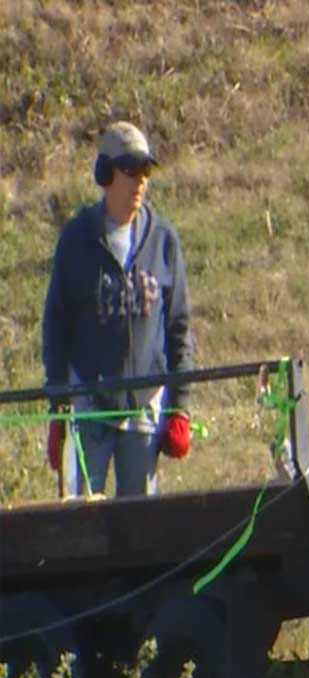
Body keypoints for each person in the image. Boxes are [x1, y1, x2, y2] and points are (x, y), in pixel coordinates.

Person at [42, 121, 196, 498]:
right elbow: (56, 324)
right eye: (130, 171)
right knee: (82, 523)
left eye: (145, 171)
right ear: (105, 174)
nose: (139, 181)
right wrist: (58, 401)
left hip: (144, 404)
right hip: (89, 406)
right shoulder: (77, 240)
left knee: (142, 526)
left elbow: (178, 327)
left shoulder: (163, 240)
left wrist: (180, 407)